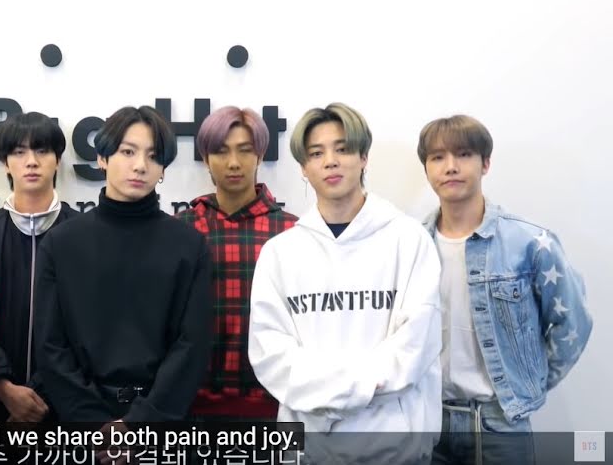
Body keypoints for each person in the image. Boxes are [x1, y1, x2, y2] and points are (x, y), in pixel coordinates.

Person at [249, 102, 442, 463]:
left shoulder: (409, 240)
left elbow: (415, 348)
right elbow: (271, 356)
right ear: (303, 168)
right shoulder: (280, 253)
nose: (330, 161)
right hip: (308, 450)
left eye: (342, 149)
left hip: (396, 450)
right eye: (316, 153)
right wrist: (352, 392)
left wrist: (335, 396)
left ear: (363, 157)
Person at [418, 115, 592, 465]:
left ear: (485, 163)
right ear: (426, 169)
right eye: (437, 157)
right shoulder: (412, 246)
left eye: (463, 154)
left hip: (500, 426)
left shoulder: (528, 242)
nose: (450, 167)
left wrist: (527, 383)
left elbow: (573, 324)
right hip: (428, 421)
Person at [35, 105, 213, 431]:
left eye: (153, 156)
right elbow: (51, 346)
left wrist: (140, 424)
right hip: (82, 429)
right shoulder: (61, 244)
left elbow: (192, 346)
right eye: (128, 152)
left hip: (161, 427)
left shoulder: (189, 246)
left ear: (163, 169)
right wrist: (95, 425)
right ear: (102, 158)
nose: (140, 165)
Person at [176, 105, 297, 422]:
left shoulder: (292, 232)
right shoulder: (181, 230)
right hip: (190, 409)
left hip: (275, 408)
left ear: (260, 155)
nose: (233, 162)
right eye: (221, 151)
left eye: (245, 150)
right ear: (206, 159)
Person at [0, 111, 78, 423]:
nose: (31, 162)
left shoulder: (86, 235)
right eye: (19, 152)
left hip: (65, 407)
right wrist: (2, 386)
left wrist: (40, 392)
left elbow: (89, 328)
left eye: (42, 150)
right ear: (5, 162)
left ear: (57, 160)